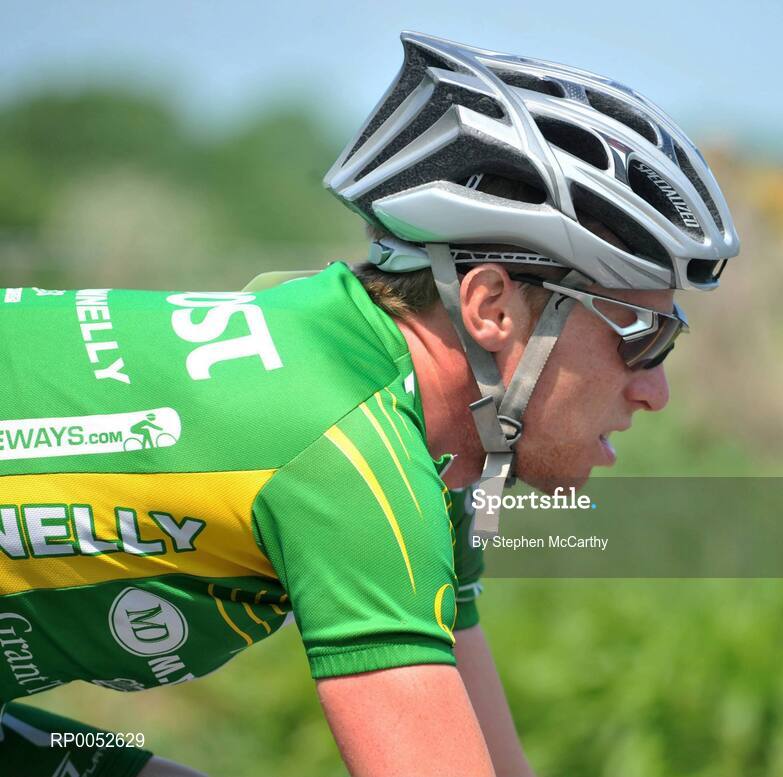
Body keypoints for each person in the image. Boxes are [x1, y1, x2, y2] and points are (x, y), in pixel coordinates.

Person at [0, 31, 739, 777]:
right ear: (490, 306)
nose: (656, 389)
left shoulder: (380, 389)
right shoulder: (350, 451)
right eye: (639, 333)